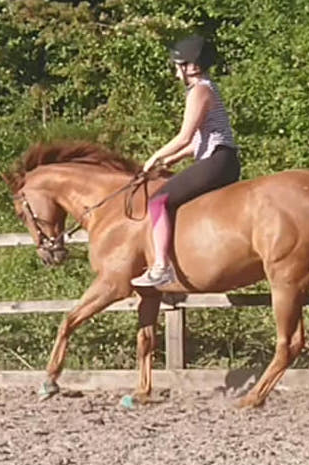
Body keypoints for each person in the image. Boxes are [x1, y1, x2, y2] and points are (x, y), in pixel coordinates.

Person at [131, 34, 241, 288]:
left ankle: (161, 266)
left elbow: (184, 137)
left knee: (158, 201)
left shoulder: (200, 91)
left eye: (177, 65)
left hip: (218, 160)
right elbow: (195, 144)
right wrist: (169, 160)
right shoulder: (205, 88)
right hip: (219, 158)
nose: (175, 72)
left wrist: (154, 157)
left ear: (191, 66)